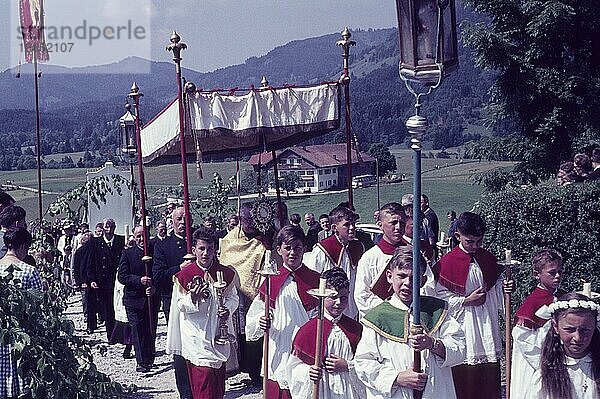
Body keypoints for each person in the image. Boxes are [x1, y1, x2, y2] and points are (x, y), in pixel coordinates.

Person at [354, 247, 465, 398]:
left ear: (423, 280)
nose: (407, 283)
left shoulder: (436, 310)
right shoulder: (377, 317)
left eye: (414, 278)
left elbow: (460, 348)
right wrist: (397, 378)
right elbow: (363, 363)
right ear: (389, 276)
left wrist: (432, 344)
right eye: (401, 276)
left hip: (435, 390)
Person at [434, 211, 514, 399]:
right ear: (458, 236)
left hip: (486, 325)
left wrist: (506, 286)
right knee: (465, 380)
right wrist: (466, 300)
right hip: (463, 326)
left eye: (479, 241)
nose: (475, 246)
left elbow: (497, 284)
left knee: (488, 378)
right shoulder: (446, 263)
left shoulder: (486, 257)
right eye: (470, 241)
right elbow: (438, 299)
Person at [245, 225, 320, 398]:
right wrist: (261, 321)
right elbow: (254, 317)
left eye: (297, 247)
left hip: (305, 348)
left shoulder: (315, 280)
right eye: (288, 248)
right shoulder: (272, 280)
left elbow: (319, 315)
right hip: (278, 345)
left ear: (305, 249)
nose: (293, 252)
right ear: (279, 250)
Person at [166, 227, 239, 399]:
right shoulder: (184, 276)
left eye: (210, 249)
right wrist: (192, 298)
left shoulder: (225, 273)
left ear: (215, 249)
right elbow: (179, 306)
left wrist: (227, 308)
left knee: (217, 384)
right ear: (194, 250)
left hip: (218, 336)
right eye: (201, 249)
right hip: (195, 338)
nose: (206, 253)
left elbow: (233, 298)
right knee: (203, 381)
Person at [220, 202, 281, 386]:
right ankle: (241, 365)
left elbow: (272, 262)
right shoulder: (230, 239)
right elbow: (226, 261)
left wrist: (269, 245)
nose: (250, 224)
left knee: (258, 330)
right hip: (237, 293)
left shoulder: (264, 239)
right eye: (246, 220)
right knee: (240, 332)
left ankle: (256, 370)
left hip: (259, 292)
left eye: (252, 220)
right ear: (240, 219)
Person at [287, 268, 364, 399]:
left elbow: (368, 364)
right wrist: (308, 372)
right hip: (322, 389)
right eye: (333, 297)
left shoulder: (355, 328)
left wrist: (348, 366)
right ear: (321, 297)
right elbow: (293, 367)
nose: (339, 302)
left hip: (348, 390)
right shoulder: (308, 330)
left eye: (343, 297)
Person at [510, 248, 566, 399]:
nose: (558, 276)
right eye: (552, 273)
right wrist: (544, 362)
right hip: (538, 362)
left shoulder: (562, 296)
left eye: (560, 271)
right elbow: (521, 336)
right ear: (537, 275)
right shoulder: (532, 303)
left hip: (559, 358)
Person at [152, 206, 193, 399]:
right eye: (179, 218)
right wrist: (179, 269)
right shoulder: (164, 245)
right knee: (180, 346)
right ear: (172, 221)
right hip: (174, 301)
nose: (183, 222)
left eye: (186, 218)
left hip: (201, 303)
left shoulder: (199, 241)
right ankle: (185, 390)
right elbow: (158, 275)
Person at [0, 227, 44, 398]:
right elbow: (38, 307)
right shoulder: (29, 270)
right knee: (20, 373)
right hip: (22, 334)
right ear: (23, 247)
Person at [531, 292, 600, 399]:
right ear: (555, 326)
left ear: (594, 326)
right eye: (570, 330)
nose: (577, 337)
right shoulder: (545, 376)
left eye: (585, 330)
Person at [308, 206, 364, 318]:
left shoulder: (359, 247)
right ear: (334, 227)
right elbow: (312, 281)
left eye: (353, 224)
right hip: (329, 309)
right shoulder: (322, 250)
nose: (352, 228)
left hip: (352, 307)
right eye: (347, 225)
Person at [118, 225, 160, 372]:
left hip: (151, 298)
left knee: (150, 329)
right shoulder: (127, 253)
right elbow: (122, 276)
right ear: (134, 238)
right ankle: (141, 361)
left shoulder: (156, 251)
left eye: (144, 235)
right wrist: (139, 280)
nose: (142, 239)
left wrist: (154, 286)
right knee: (137, 329)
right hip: (133, 299)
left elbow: (159, 272)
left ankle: (149, 358)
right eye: (138, 236)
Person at [354, 202, 407, 318]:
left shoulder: (413, 253)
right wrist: (391, 310)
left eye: (402, 223)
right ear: (380, 225)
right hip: (381, 318)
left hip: (409, 315)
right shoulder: (369, 258)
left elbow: (427, 286)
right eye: (393, 223)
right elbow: (361, 295)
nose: (398, 227)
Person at [83, 218, 125, 342]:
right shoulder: (95, 243)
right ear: (103, 228)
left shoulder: (120, 241)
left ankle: (119, 334)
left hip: (117, 280)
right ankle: (111, 335)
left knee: (118, 307)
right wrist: (91, 279)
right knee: (107, 308)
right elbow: (90, 262)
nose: (109, 230)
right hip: (102, 281)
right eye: (107, 227)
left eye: (111, 227)